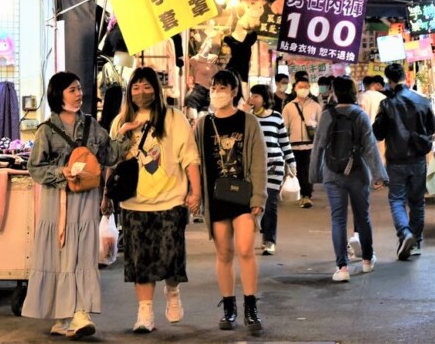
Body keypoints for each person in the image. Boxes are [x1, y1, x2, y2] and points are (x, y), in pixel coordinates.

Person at [106, 67, 200, 334]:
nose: (141, 92)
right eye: (136, 87)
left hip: (171, 200)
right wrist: (106, 194)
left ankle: (172, 292)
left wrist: (196, 192)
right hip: (133, 202)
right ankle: (144, 312)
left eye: (147, 87)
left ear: (156, 90)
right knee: (141, 261)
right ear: (129, 91)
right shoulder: (120, 120)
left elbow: (190, 157)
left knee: (171, 256)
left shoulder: (174, 118)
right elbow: (111, 160)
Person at [25, 72, 118, 338]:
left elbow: (110, 154)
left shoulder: (91, 125)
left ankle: (79, 312)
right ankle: (64, 316)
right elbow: (35, 167)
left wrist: (123, 134)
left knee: (82, 253)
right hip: (57, 201)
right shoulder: (46, 130)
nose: (79, 94)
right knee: (59, 253)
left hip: (85, 198)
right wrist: (60, 172)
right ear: (58, 94)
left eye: (79, 89)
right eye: (72, 90)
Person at [194, 70, 266, 334]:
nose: (217, 92)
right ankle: (228, 306)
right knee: (224, 253)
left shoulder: (248, 122)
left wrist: (258, 197)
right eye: (213, 87)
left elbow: (258, 161)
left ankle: (251, 306)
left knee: (245, 249)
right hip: (216, 198)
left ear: (234, 92)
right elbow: (194, 161)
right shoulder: (202, 124)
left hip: (243, 196)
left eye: (222, 88)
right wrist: (194, 194)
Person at [310, 77, 387, 281]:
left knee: (338, 219)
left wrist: (314, 174)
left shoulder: (327, 115)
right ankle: (367, 260)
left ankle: (342, 268)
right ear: (354, 92)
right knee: (363, 217)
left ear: (335, 93)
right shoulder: (360, 115)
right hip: (358, 173)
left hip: (332, 173)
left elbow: (318, 146)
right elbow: (370, 148)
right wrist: (379, 175)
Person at [374, 61, 435, 261]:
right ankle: (415, 243)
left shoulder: (387, 104)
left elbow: (378, 133)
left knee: (397, 200)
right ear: (404, 77)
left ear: (390, 81)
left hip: (396, 159)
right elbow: (432, 129)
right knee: (417, 202)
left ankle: (404, 232)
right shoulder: (422, 101)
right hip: (418, 159)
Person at [248, 84, 294, 255]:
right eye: (252, 96)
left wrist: (291, 163)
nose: (252, 99)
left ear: (265, 99)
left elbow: (284, 142)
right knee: (255, 203)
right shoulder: (248, 118)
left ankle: (270, 240)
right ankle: (262, 232)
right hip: (254, 168)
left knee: (270, 203)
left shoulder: (276, 117)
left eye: (256, 96)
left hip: (274, 165)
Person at [281, 75, 322, 208]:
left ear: (309, 88)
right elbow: (284, 127)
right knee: (297, 170)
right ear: (295, 88)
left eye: (305, 87)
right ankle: (303, 193)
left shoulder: (316, 106)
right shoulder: (289, 107)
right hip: (294, 145)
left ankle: (306, 195)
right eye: (300, 87)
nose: (303, 89)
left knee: (308, 170)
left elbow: (321, 125)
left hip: (311, 145)